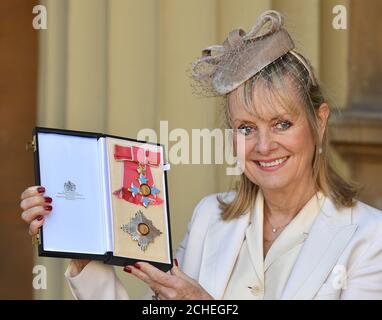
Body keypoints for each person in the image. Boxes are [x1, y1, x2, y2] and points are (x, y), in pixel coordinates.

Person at [20, 10, 382, 300]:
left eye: (282, 123)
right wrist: (85, 255)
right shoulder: (210, 218)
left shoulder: (369, 239)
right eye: (246, 128)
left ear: (319, 123)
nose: (264, 145)